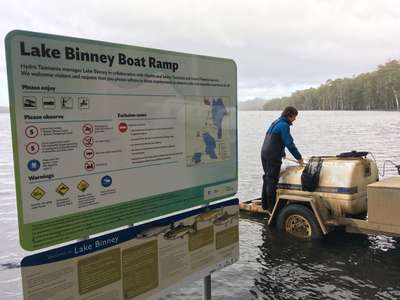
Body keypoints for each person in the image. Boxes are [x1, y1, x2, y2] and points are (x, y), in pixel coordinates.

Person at [261, 106, 304, 211]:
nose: (295, 119)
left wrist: (282, 152)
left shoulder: (276, 122)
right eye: (294, 116)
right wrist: (299, 158)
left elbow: (273, 139)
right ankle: (272, 209)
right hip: (272, 156)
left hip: (264, 153)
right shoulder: (284, 125)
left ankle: (265, 205)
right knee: (272, 180)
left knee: (267, 178)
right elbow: (289, 143)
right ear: (289, 115)